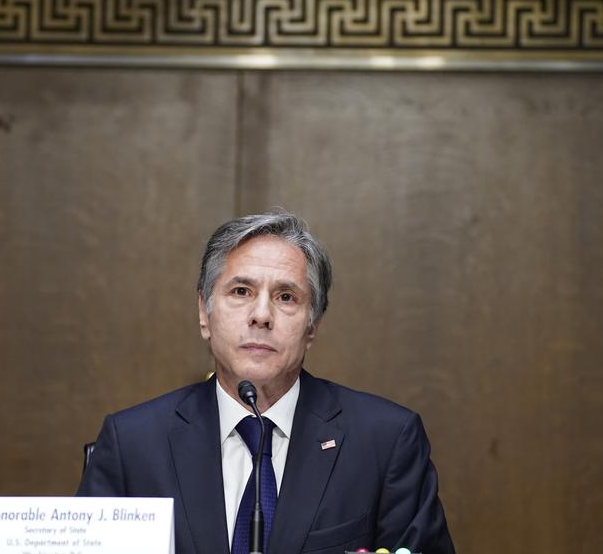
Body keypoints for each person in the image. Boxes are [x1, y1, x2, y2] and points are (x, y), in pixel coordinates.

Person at [77, 211, 454, 554]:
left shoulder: (385, 440)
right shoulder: (133, 443)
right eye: (241, 292)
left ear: (312, 326)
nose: (261, 315)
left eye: (286, 297)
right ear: (204, 313)